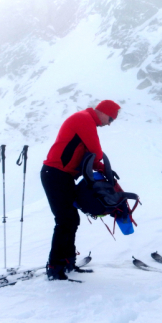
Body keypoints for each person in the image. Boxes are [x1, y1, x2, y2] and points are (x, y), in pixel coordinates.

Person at [41, 100, 120, 280]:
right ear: (103, 112)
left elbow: (90, 156)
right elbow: (95, 152)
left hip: (64, 175)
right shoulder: (84, 119)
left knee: (71, 219)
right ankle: (55, 266)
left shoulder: (86, 121)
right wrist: (100, 164)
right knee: (65, 219)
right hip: (55, 173)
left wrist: (101, 168)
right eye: (111, 119)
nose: (109, 123)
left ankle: (67, 262)